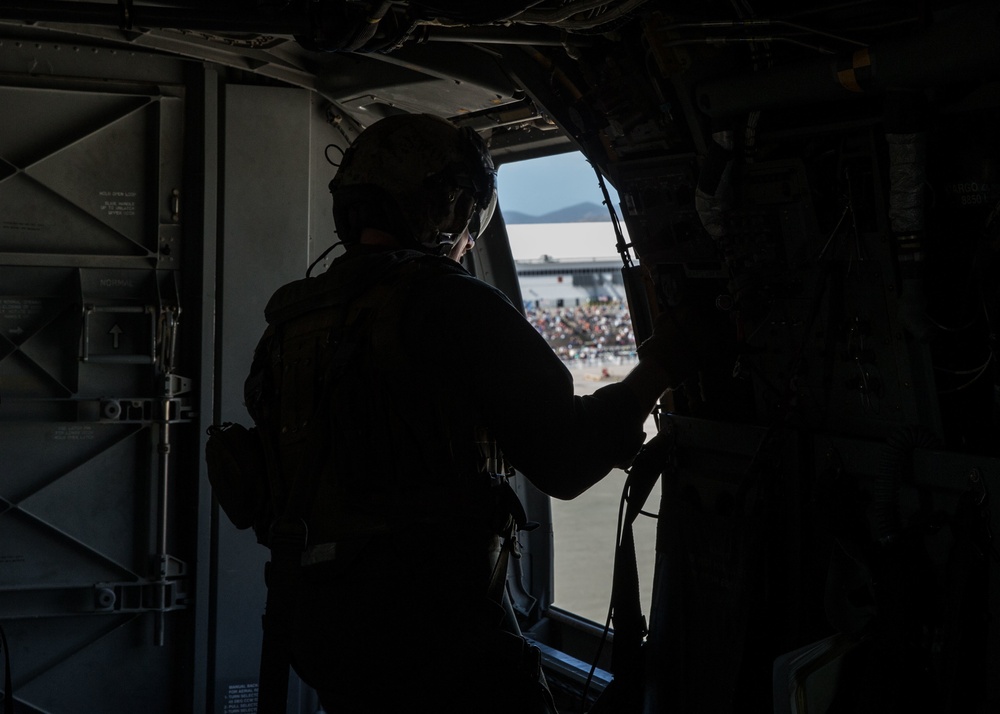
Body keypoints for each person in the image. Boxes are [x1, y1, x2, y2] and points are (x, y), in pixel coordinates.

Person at [241, 113, 687, 713]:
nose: (469, 240)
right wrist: (660, 369)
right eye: (469, 221)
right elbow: (566, 458)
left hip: (318, 625)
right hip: (430, 631)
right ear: (450, 210)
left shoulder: (288, 323)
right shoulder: (451, 302)